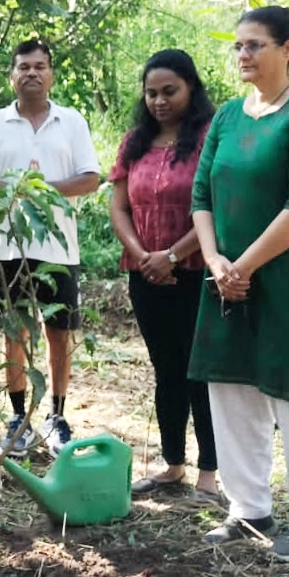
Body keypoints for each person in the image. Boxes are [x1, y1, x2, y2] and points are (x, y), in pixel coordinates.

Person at [189, 6, 289, 561]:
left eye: (256, 45)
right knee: (231, 389)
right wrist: (216, 262)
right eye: (238, 46)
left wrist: (245, 266)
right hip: (226, 278)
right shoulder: (227, 117)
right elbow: (202, 197)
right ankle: (249, 507)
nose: (243, 55)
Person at [0, 39, 101, 458]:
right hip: (5, 247)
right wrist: (18, 191)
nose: (32, 73)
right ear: (12, 76)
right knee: (15, 332)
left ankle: (57, 416)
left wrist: (40, 192)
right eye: (24, 66)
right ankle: (18, 417)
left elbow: (90, 178)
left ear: (51, 75)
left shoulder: (72, 121)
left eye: (40, 66)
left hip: (58, 249)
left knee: (58, 334)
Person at [108, 49, 219, 504]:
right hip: (146, 277)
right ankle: (173, 464)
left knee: (201, 374)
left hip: (197, 273)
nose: (159, 101)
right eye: (151, 93)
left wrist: (171, 256)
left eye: (169, 91)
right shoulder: (134, 141)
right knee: (165, 371)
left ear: (191, 89)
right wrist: (143, 256)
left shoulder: (211, 137)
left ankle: (209, 474)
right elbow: (119, 206)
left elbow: (216, 207)